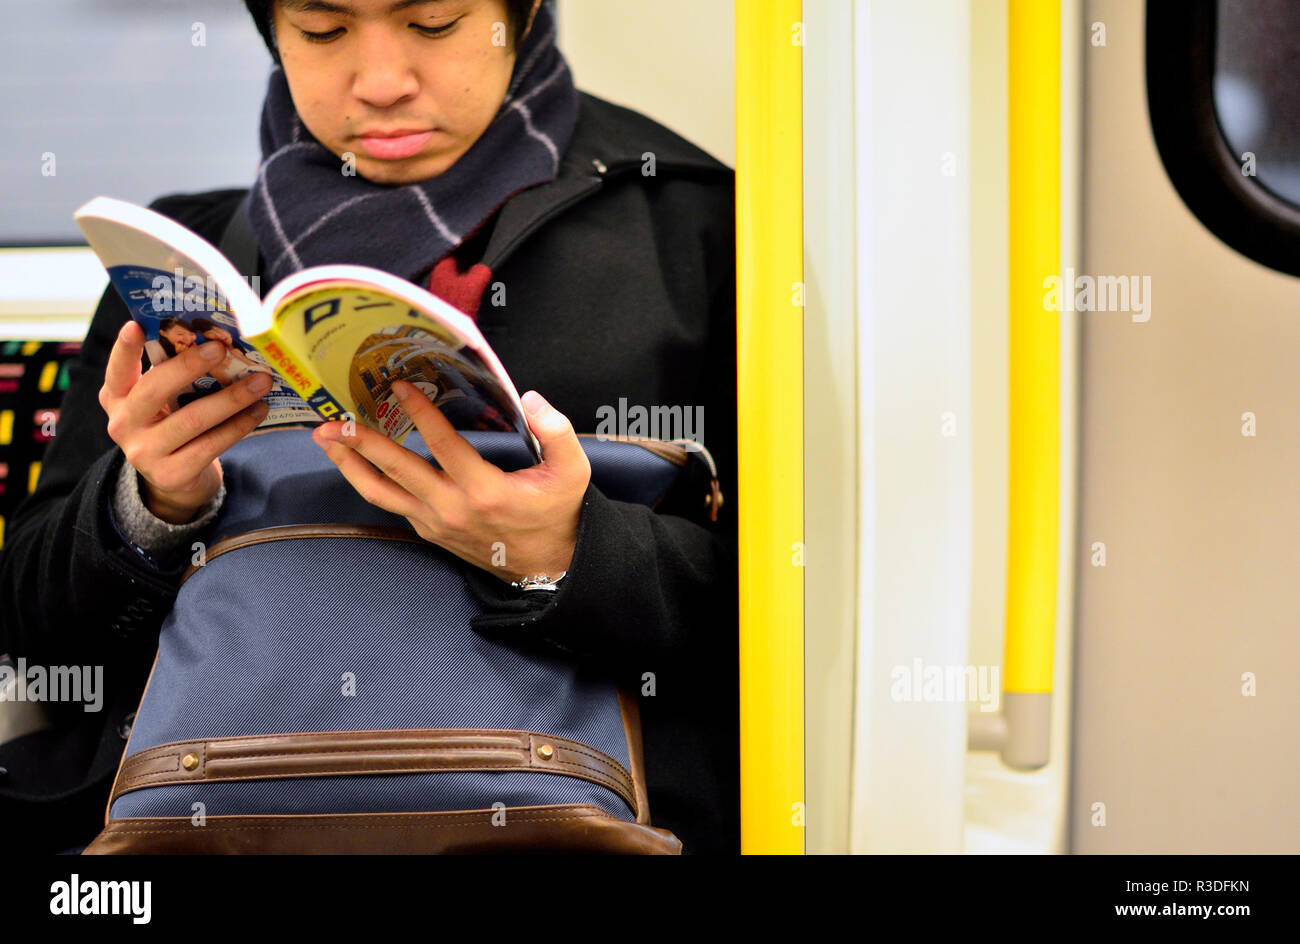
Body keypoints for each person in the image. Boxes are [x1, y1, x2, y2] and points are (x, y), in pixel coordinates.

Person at [0, 0, 738, 854]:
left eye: (433, 24)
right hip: (205, 818)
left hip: (580, 818)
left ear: (522, 12)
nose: (382, 84)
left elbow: (808, 616)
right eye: (323, 31)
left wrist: (567, 554)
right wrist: (152, 505)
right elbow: (34, 634)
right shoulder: (184, 256)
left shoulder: (697, 231)